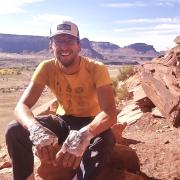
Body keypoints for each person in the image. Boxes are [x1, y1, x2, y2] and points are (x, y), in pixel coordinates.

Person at [5, 20, 117, 180]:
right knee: (14, 129)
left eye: (69, 41)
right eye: (58, 41)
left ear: (79, 46)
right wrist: (34, 129)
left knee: (105, 139)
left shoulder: (96, 68)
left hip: (90, 121)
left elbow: (109, 113)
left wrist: (85, 135)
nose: (64, 47)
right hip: (62, 121)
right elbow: (21, 106)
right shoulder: (46, 67)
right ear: (51, 46)